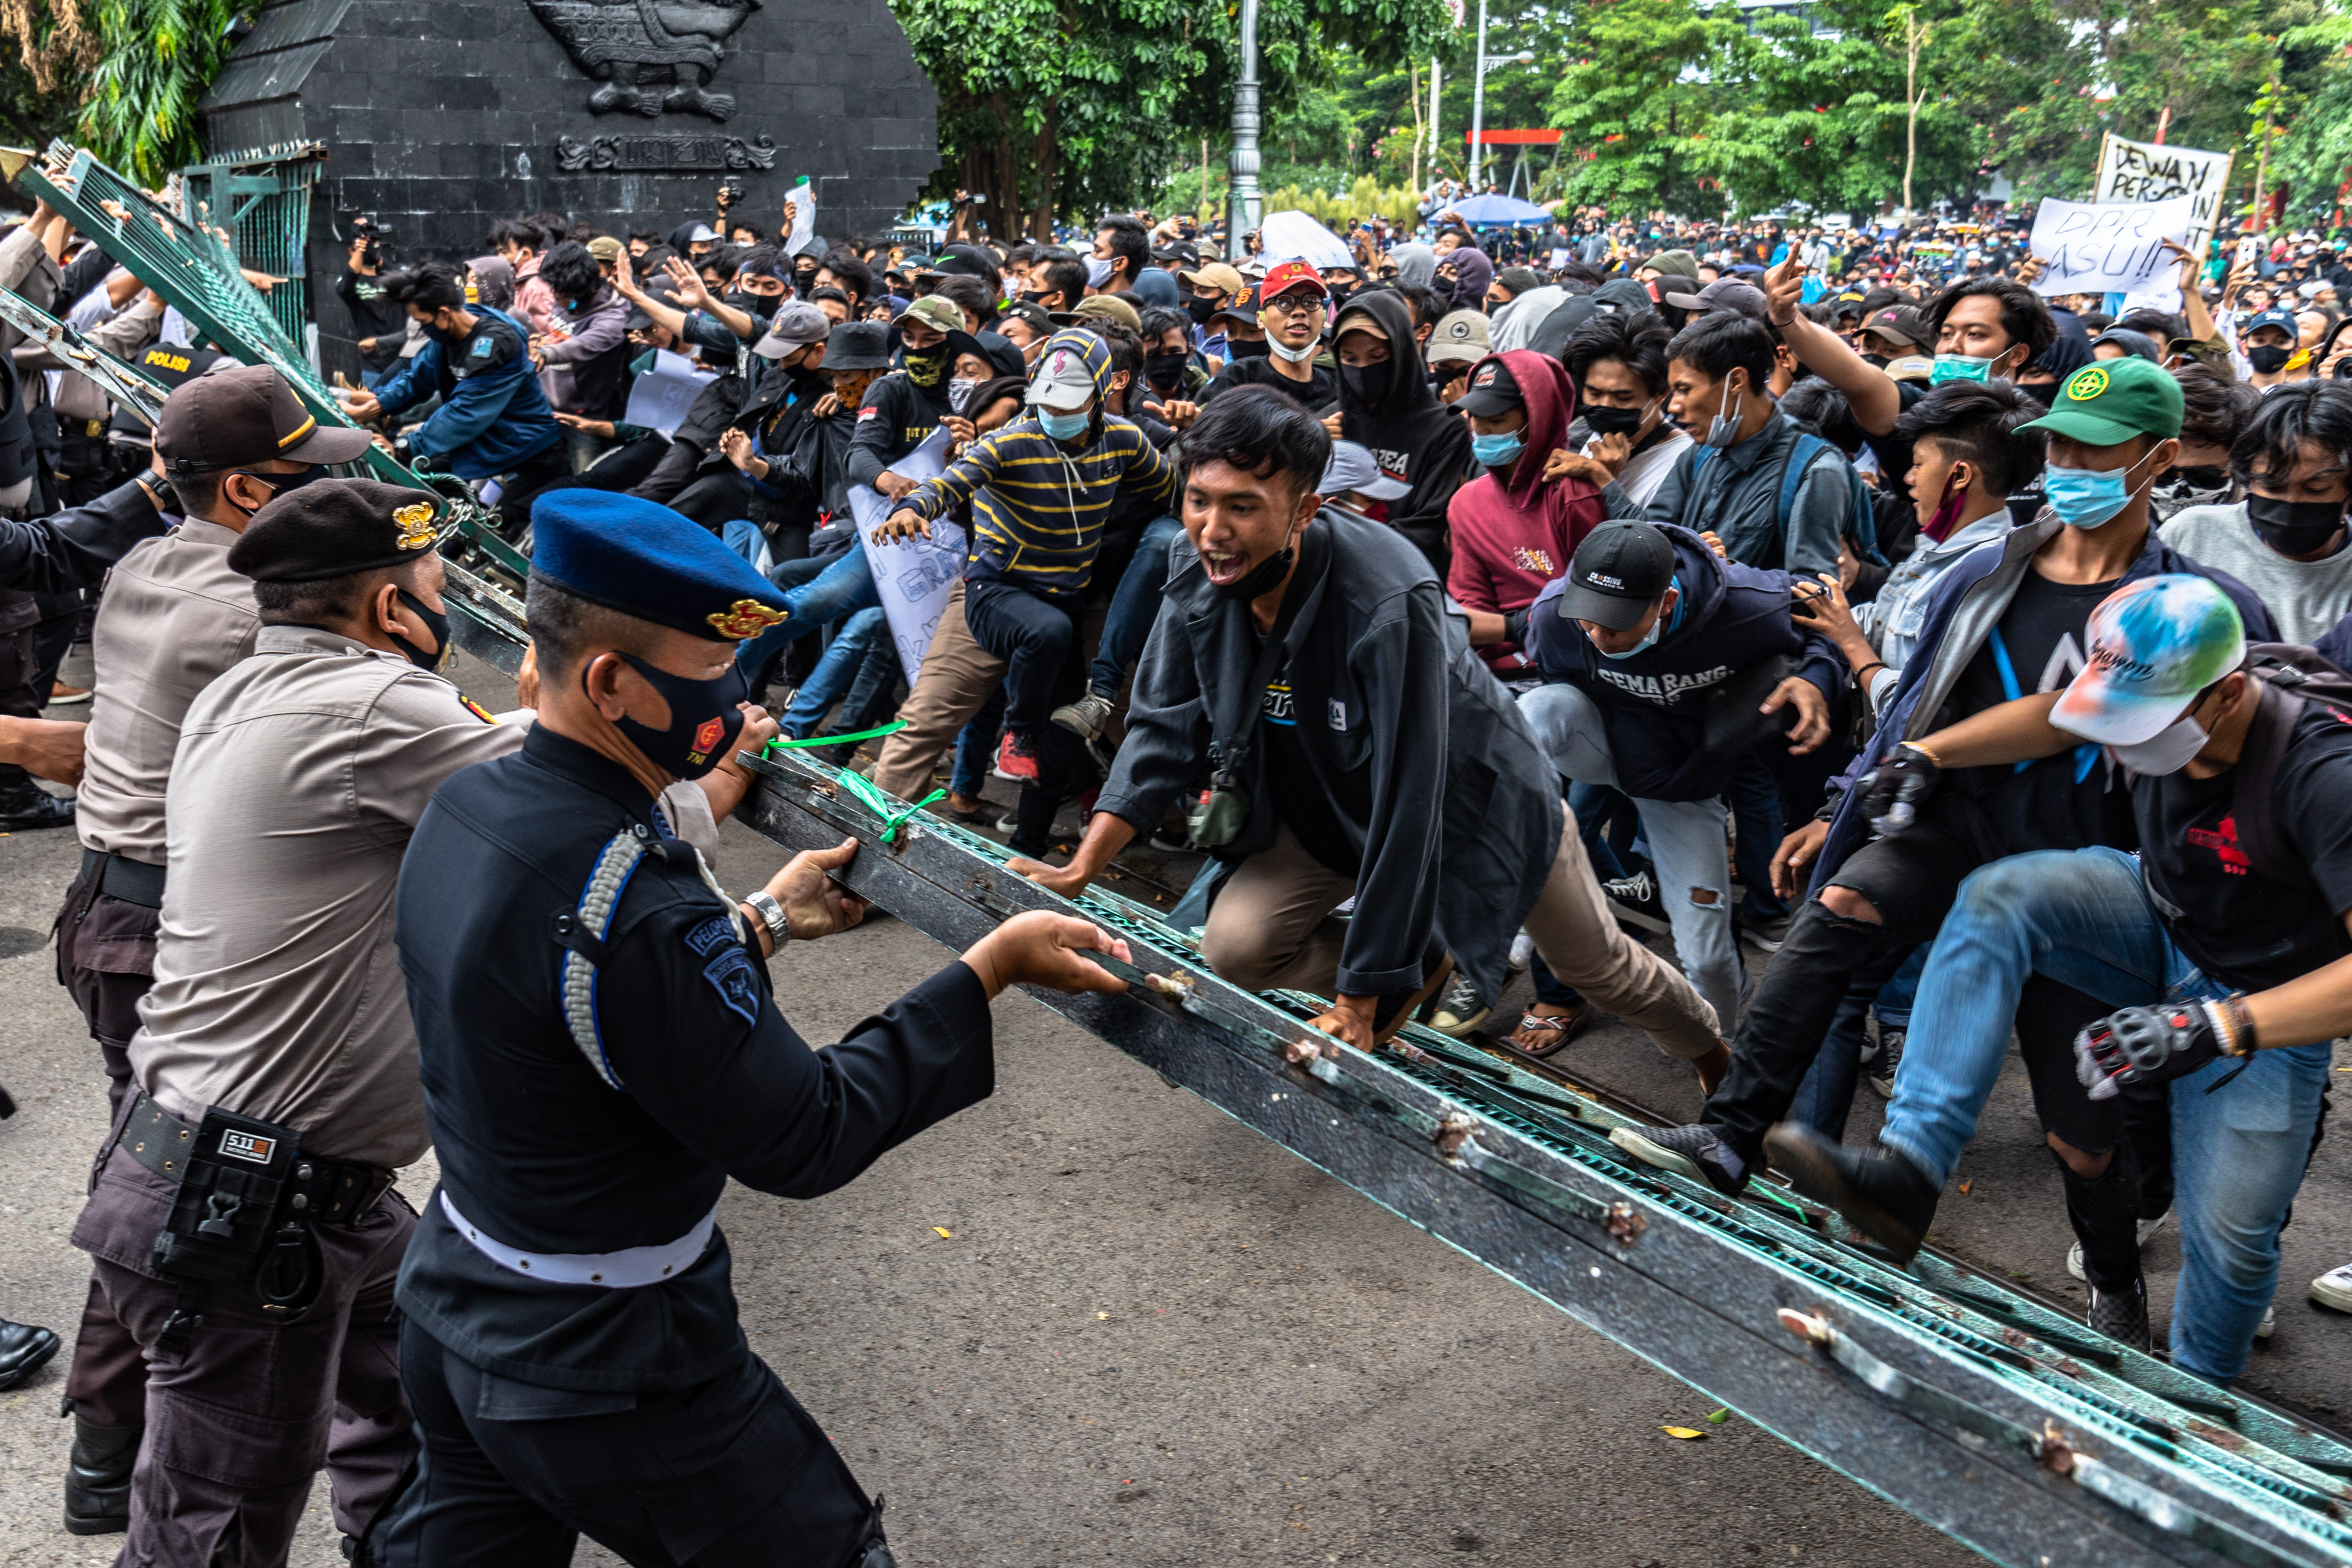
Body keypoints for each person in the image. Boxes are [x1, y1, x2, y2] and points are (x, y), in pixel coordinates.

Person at [364, 489, 1128, 1566]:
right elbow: (804, 1131)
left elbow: (580, 1005)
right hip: (608, 1364)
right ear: (611, 682)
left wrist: (763, 919)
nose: (734, 698)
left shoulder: (471, 806)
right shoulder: (641, 900)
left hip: (458, 1297)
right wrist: (983, 970)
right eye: (710, 671)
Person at [1611, 357, 2280, 1230]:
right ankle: (1732, 1133)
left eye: (2097, 453)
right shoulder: (1987, 573)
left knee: (2079, 1130)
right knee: (1843, 905)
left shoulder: (2194, 604)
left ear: (2156, 460)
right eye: (2061, 450)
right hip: (1959, 821)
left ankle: (2115, 1276)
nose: (2072, 470)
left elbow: (2192, 747)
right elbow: (1914, 712)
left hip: (2086, 867)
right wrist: (1836, 808)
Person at [64, 479, 529, 1563]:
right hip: (256, 1208)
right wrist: (726, 764)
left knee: (425, 1377)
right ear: (387, 612)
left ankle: (396, 1541)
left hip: (250, 1179)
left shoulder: (247, 687)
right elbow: (564, 797)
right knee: (213, 1535)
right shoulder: (376, 707)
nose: (440, 597)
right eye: (429, 581)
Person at [1009, 387, 1725, 1065]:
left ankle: (1717, 1062)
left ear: (1305, 510)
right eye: (1198, 501)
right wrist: (1081, 867)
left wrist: (1359, 1000)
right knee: (1234, 947)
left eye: (1242, 508)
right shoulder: (1198, 562)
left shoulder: (1390, 597)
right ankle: (1411, 960)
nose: (1213, 531)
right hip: (1323, 804)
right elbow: (1162, 728)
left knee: (1598, 968)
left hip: (1472, 807)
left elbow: (1411, 800)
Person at [1774, 576, 2340, 1379]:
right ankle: (1908, 1171)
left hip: (2268, 1001)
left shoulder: (2322, 771)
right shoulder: (2147, 691)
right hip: (2160, 905)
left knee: (2230, 1242)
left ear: (2227, 697)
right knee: (2002, 894)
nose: (2119, 743)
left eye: (2141, 725)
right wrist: (1926, 752)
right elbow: (2050, 718)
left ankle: (2198, 1399)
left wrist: (2219, 1026)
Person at [51, 369, 377, 1538]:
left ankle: (106, 1444)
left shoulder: (147, 558)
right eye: (314, 474)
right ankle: (130, 1451)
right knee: (186, 1194)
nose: (338, 486)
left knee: (145, 1169)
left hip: (106, 905)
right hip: (158, 925)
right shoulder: (261, 614)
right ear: (248, 489)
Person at [1518, 520, 1840, 1046]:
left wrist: (1816, 677)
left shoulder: (1747, 604)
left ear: (1666, 601)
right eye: (1588, 620)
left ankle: (1722, 1049)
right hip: (1598, 744)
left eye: (1615, 626)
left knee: (1708, 959)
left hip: (1681, 784)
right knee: (1537, 710)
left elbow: (1826, 619)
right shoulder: (1556, 614)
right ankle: (1494, 856)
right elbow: (1547, 666)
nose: (1597, 636)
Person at [878, 329, 1175, 784]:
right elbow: (950, 483)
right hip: (995, 594)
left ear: (1102, 391)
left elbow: (1171, 491)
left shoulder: (1126, 441)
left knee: (1117, 712)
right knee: (925, 722)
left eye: (1069, 401)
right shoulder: (1008, 442)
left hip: (1073, 600)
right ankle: (874, 831)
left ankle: (1171, 821)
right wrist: (911, 508)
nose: (1055, 411)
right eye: (1048, 399)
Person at [1621, 312, 1852, 580]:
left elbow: (1812, 593)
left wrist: (1728, 574)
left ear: (1737, 381)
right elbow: (1650, 538)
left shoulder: (1815, 472)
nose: (1673, 407)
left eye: (1685, 389)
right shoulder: (1699, 453)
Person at [339, 262, 566, 520]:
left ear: (445, 314)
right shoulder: (446, 337)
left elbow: (465, 411)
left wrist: (404, 446)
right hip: (488, 438)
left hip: (529, 446)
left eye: (423, 321)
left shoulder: (495, 344)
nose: (423, 328)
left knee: (512, 524)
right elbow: (417, 379)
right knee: (427, 476)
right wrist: (370, 409)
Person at [1445, 350, 1605, 680]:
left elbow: (1594, 605)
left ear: (1538, 416)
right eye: (1475, 418)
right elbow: (1467, 608)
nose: (1483, 431)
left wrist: (1519, 627)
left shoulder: (1571, 496)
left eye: (1498, 419)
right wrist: (1514, 628)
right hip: (1491, 672)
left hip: (1568, 668)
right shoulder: (1466, 503)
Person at [2161, 380, 2352, 643]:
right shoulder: (2191, 536)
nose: (2291, 502)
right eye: (2273, 486)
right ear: (2248, 477)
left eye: (2315, 490)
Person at [1329, 289, 1470, 574]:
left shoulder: (1444, 427)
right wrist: (1309, 448)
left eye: (1376, 356)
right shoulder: (1331, 422)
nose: (1363, 369)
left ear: (1401, 352)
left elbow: (1429, 522)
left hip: (1406, 576)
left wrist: (1353, 551)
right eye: (1350, 359)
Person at [1554, 309, 1689, 510]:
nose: (1605, 406)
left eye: (1623, 397)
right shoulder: (1596, 436)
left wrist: (1604, 483)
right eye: (1594, 393)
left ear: (1661, 393)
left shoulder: (1681, 463)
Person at [1193, 262, 1337, 411]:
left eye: (1311, 302)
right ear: (1261, 319)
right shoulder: (1237, 378)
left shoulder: (1336, 387)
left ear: (1323, 316)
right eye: (1284, 302)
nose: (1299, 312)